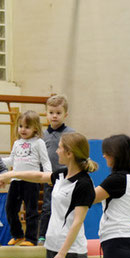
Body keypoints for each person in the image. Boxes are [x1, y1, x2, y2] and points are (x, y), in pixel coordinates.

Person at [2, 110, 52, 246]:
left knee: (31, 210)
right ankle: (17, 234)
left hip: (32, 181)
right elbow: (12, 160)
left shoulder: (38, 142)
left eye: (27, 127)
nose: (23, 130)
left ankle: (31, 238)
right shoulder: (17, 143)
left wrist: (49, 176)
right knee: (10, 209)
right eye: (20, 126)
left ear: (35, 128)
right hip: (16, 181)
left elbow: (45, 161)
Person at [39, 94, 76, 245]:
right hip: (49, 177)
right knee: (47, 207)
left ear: (65, 114)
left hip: (67, 177)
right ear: (46, 114)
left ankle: (65, 234)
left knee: (65, 207)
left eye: (58, 113)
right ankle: (43, 236)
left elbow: (76, 155)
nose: (54, 116)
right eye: (51, 113)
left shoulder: (71, 133)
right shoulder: (42, 135)